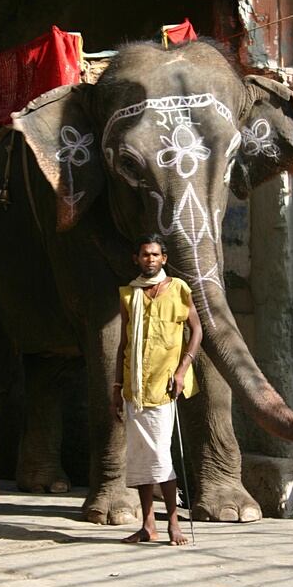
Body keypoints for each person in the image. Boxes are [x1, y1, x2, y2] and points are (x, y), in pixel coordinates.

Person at [111, 233, 202, 545]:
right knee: (138, 459)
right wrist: (116, 387)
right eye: (144, 254)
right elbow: (124, 344)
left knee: (161, 456)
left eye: (155, 254)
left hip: (164, 388)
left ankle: (173, 524)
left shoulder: (179, 290)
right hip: (134, 389)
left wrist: (182, 369)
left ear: (164, 259)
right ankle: (148, 525)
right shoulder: (129, 295)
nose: (150, 259)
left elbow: (197, 330)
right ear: (137, 259)